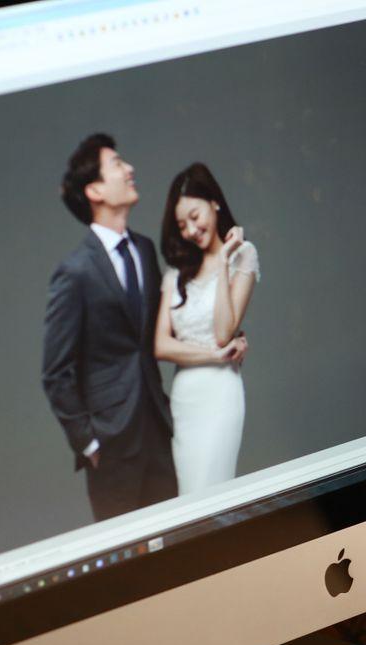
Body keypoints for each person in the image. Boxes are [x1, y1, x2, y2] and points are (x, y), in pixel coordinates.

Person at [44, 133, 182, 521]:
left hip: (157, 426)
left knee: (177, 546)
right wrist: (89, 444)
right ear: (95, 190)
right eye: (118, 164)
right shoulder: (75, 272)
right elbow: (55, 373)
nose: (130, 169)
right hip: (111, 443)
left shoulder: (143, 249)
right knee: (128, 567)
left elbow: (160, 332)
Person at [156, 163, 258, 496]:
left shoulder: (243, 256)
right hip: (185, 399)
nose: (189, 230)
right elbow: (160, 345)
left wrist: (222, 260)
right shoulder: (176, 274)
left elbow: (222, 333)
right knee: (187, 499)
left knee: (212, 494)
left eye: (194, 217)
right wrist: (215, 357)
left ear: (214, 202)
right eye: (182, 224)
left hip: (220, 396)